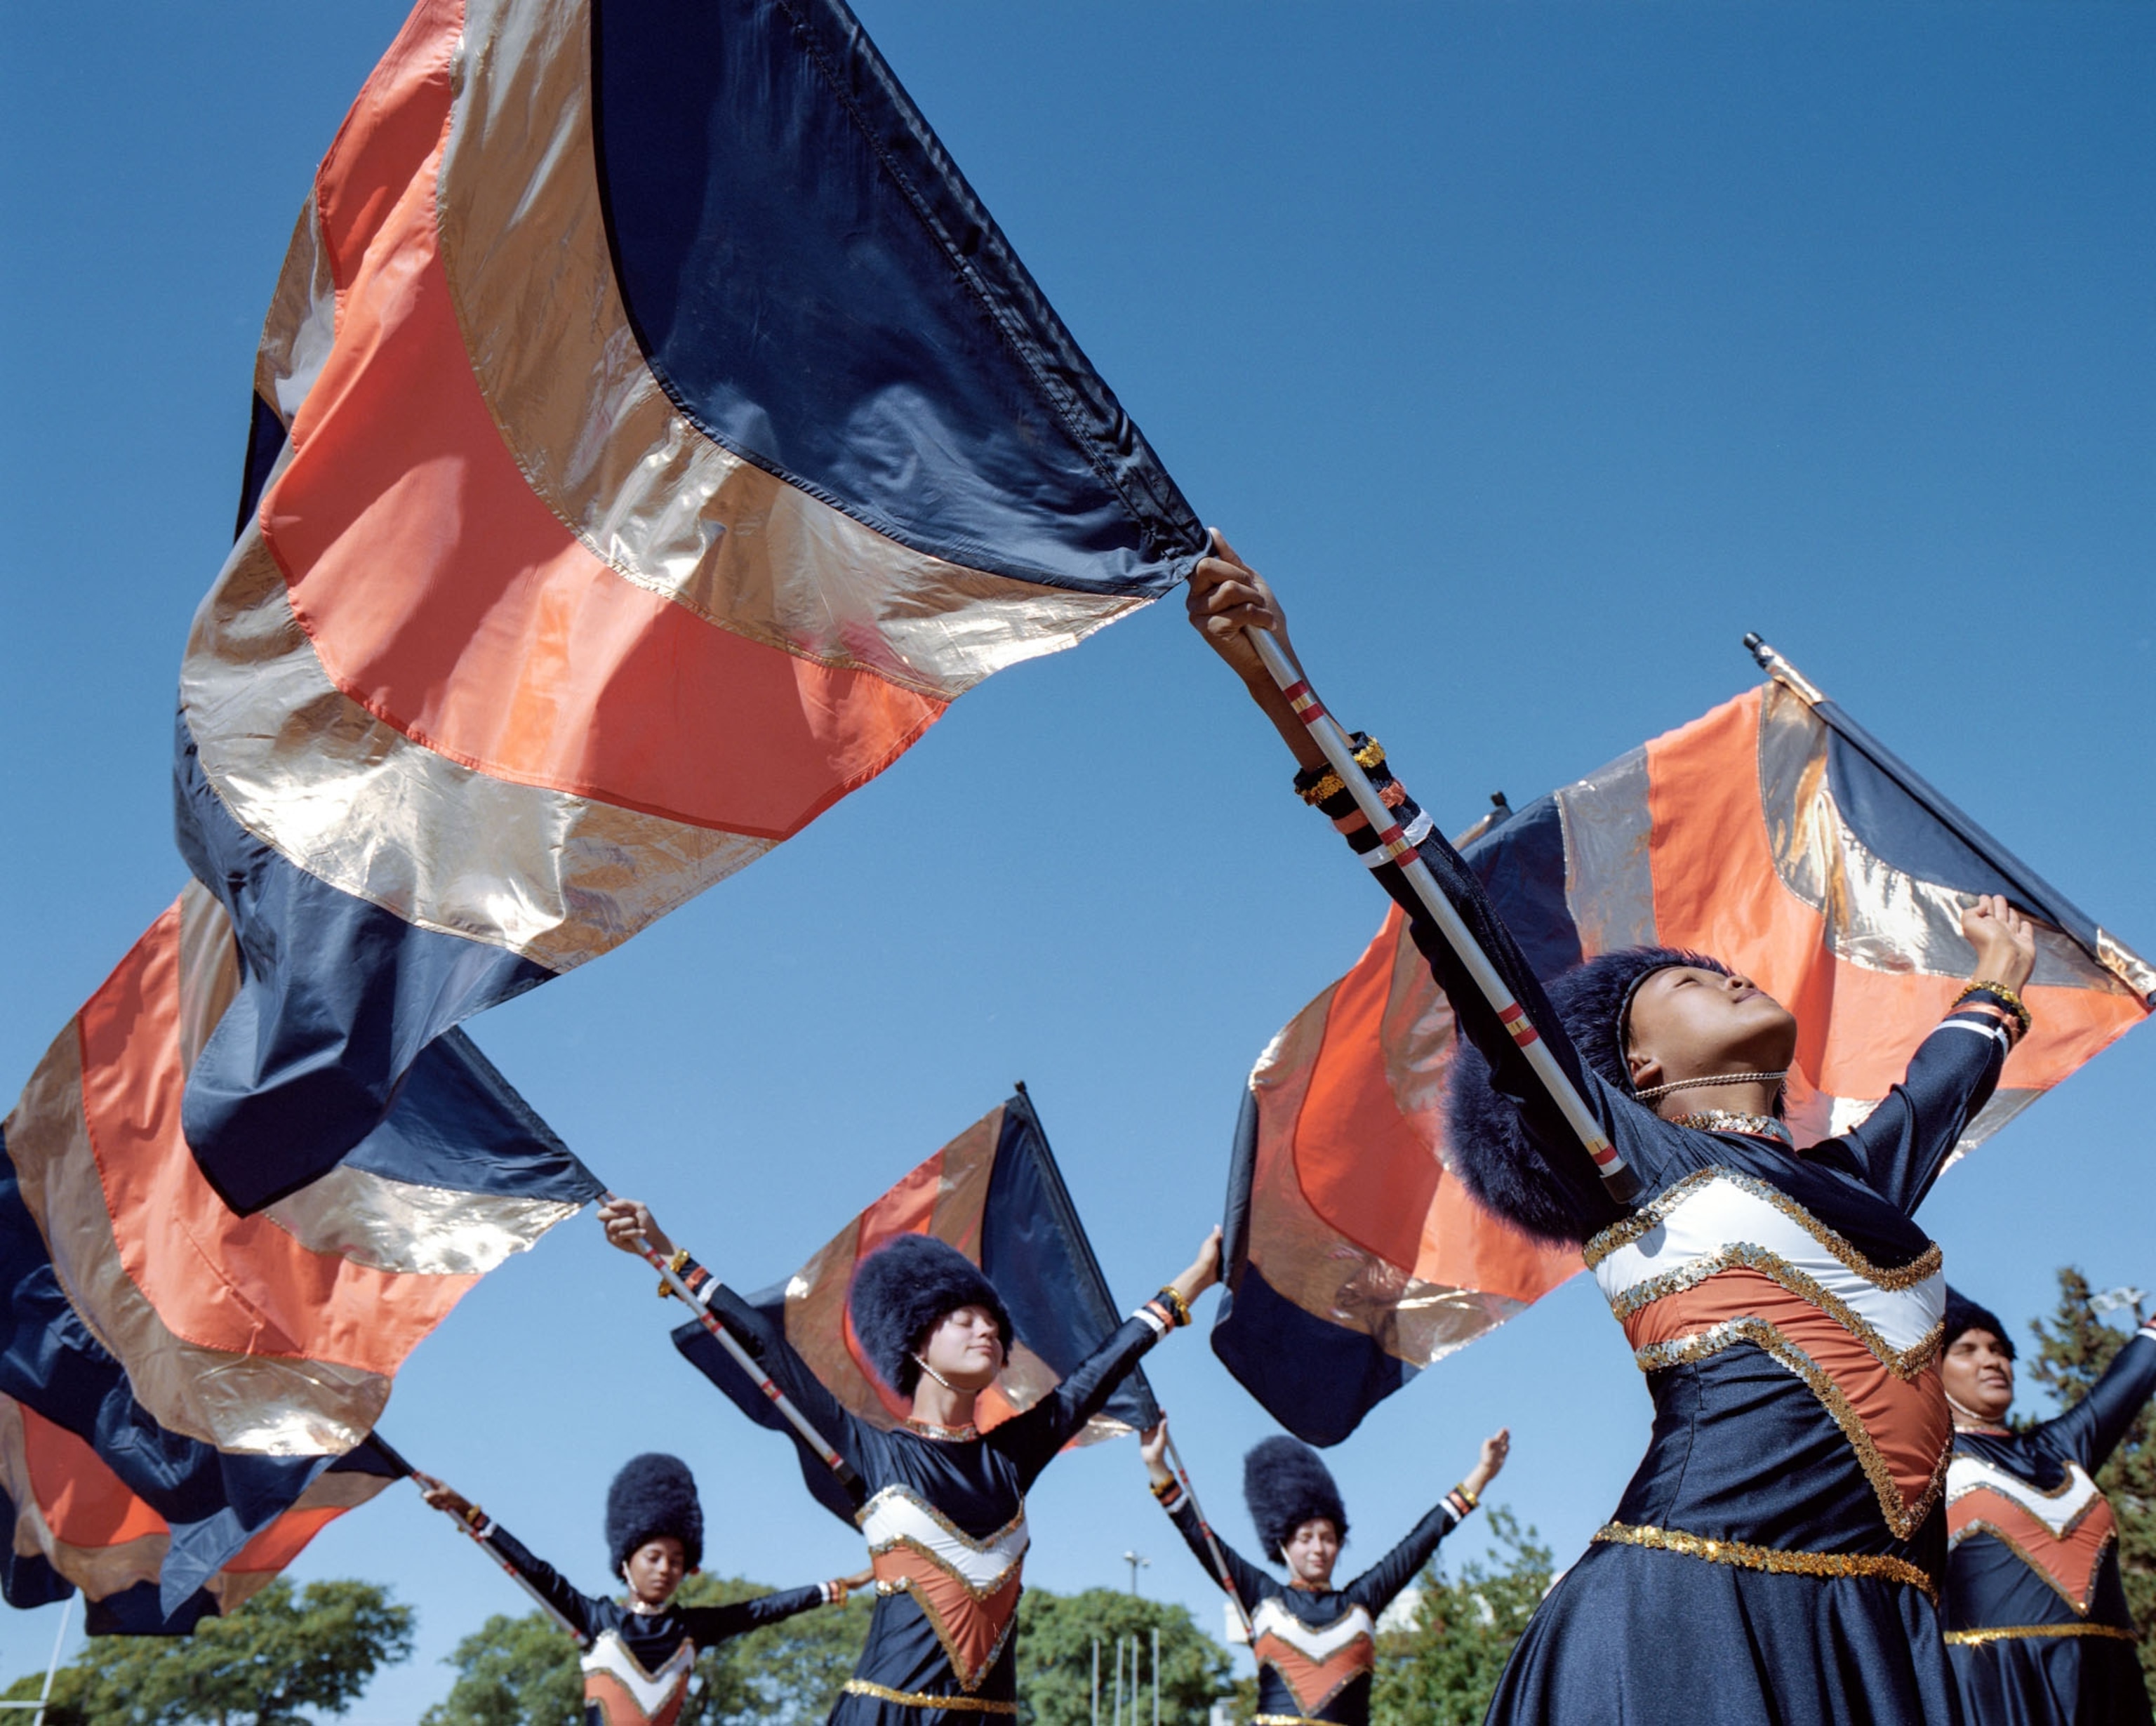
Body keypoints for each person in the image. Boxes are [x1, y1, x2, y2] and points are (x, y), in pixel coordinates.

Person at [1186, 535, 2037, 1724]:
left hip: (1881, 1639)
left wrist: (1997, 980)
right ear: (1637, 1066)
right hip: (1683, 1629)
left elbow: (1941, 1082)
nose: (1725, 974)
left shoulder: (1859, 1182)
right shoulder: (1634, 1164)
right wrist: (1286, 688)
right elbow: (1457, 925)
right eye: (1684, 981)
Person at [597, 1198, 1221, 1722]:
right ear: (918, 1340)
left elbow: (1104, 1365)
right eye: (965, 1318)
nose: (987, 1332)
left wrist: (1193, 1280)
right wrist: (666, 1251)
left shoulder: (1014, 1455)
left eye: (995, 1326)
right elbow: (763, 1345)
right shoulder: (869, 1448)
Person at [417, 1452, 867, 1726]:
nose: (666, 1569)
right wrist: (469, 1512)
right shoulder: (596, 1620)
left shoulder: (693, 1628)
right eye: (654, 1557)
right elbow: (533, 1570)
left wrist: (838, 1585)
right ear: (626, 1561)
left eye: (676, 1561)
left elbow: (763, 1610)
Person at [1139, 1416, 1507, 1725]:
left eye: (1328, 1538)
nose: (1318, 1548)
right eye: (1306, 1538)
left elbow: (1423, 1539)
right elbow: (1201, 1538)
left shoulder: (1363, 1600)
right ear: (1283, 1545)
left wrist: (1482, 1474)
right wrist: (1158, 1466)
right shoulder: (1261, 1596)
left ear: (1340, 1543)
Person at [1938, 1287, 2156, 1724]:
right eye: (1967, 1350)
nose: (1992, 1361)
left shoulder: (2063, 1447)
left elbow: (2137, 1371)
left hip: (2108, 1685)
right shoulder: (1925, 1462)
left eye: (1999, 1349)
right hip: (1995, 1690)